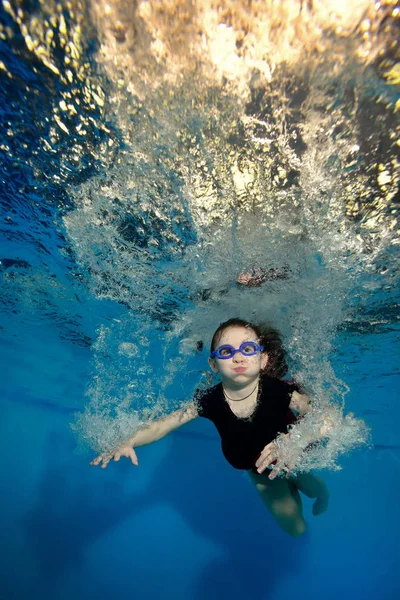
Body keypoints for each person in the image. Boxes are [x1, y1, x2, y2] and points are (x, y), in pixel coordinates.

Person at [91, 318, 330, 537]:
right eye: (227, 352)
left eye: (247, 350)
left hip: (290, 455)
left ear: (263, 359)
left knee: (311, 487)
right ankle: (293, 495)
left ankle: (322, 494)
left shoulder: (279, 390)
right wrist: (128, 441)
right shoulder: (208, 400)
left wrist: (295, 441)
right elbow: (161, 425)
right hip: (258, 470)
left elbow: (326, 414)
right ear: (214, 364)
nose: (238, 358)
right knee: (296, 529)